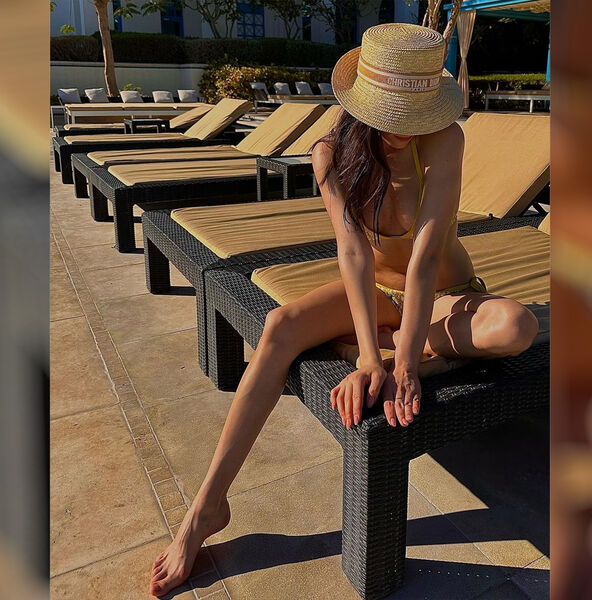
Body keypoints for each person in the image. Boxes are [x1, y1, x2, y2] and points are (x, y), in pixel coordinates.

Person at [149, 23, 539, 597]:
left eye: (414, 113)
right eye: (391, 114)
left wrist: (403, 362)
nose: (403, 129)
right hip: (374, 294)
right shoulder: (329, 153)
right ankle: (206, 507)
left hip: (445, 295)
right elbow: (353, 255)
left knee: (516, 325)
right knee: (279, 325)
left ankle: (393, 345)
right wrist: (369, 362)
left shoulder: (445, 141)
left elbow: (427, 257)